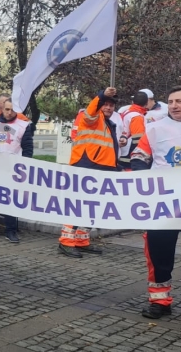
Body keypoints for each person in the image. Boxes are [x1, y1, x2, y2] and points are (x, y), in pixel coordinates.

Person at [132, 85, 181, 319]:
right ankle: (160, 301)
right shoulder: (155, 128)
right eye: (171, 101)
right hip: (163, 205)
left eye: (180, 101)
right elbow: (138, 158)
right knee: (158, 254)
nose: (174, 105)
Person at [58, 87, 120, 258]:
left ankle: (81, 240)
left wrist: (116, 168)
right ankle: (66, 241)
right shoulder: (91, 117)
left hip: (102, 168)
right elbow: (91, 110)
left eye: (111, 105)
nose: (108, 108)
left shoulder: (108, 123)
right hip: (87, 165)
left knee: (92, 208)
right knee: (78, 206)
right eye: (105, 104)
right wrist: (101, 96)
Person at [0, 99, 34, 243]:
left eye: (12, 110)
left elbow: (28, 148)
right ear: (1, 109)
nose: (9, 113)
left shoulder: (23, 126)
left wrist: (24, 166)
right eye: (6, 109)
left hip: (12, 168)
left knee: (10, 200)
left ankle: (10, 230)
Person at [119, 91, 148, 170]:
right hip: (129, 156)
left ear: (132, 102)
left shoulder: (127, 112)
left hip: (123, 150)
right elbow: (138, 141)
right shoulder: (137, 117)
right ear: (146, 104)